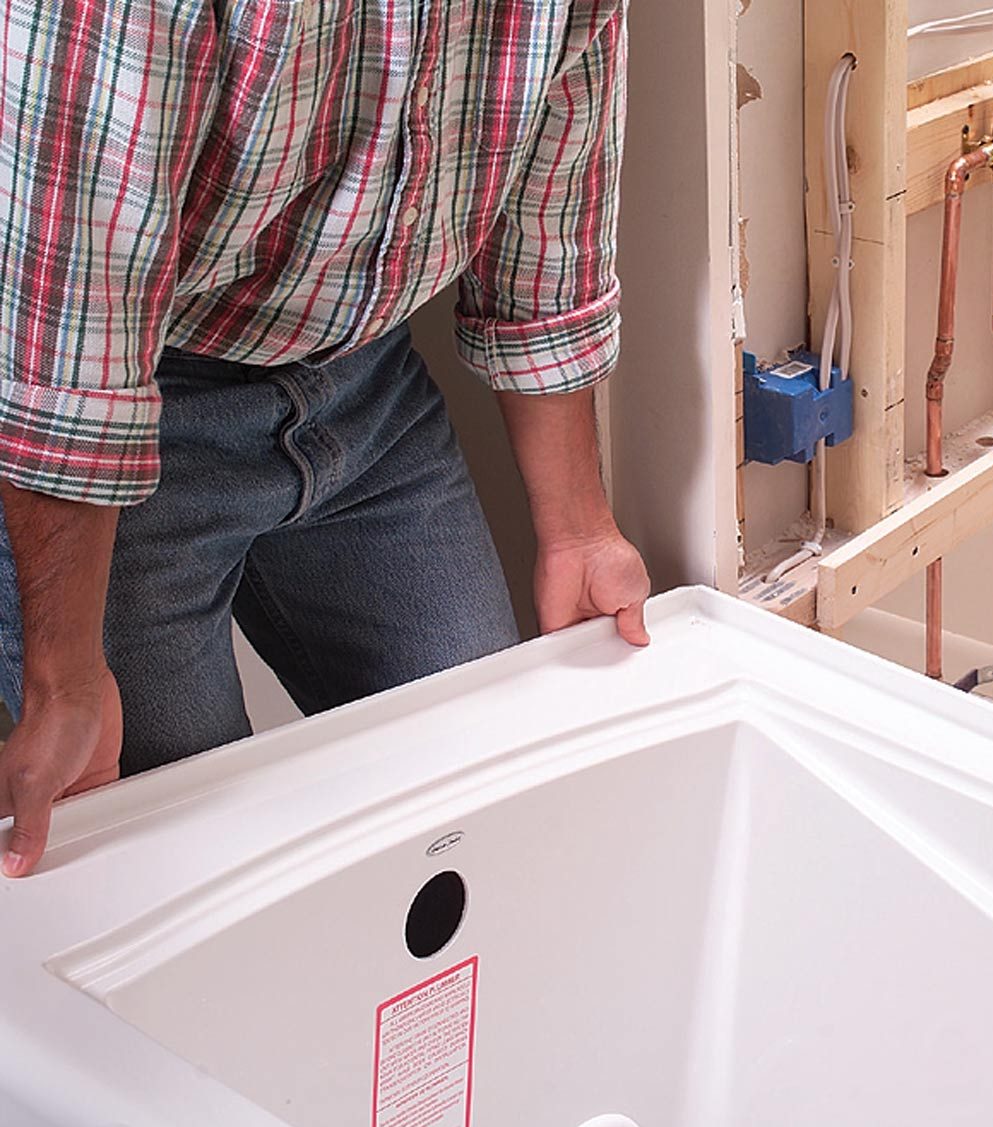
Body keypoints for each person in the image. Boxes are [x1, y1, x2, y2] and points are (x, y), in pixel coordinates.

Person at [0, 0, 650, 878]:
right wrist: (63, 673)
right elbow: (71, 309)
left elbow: (550, 220)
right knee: (186, 862)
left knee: (483, 795)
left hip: (365, 382)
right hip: (132, 400)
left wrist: (580, 529)